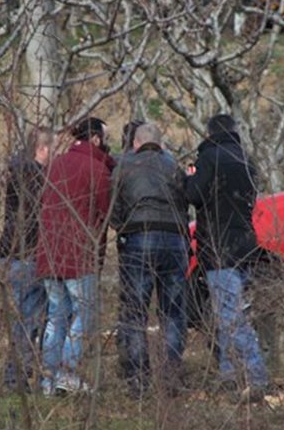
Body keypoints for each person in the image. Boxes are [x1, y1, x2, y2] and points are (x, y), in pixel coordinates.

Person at [184, 114, 270, 402]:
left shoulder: (209, 158)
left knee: (230, 317)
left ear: (210, 133)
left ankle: (257, 377)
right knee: (227, 314)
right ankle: (228, 375)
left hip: (219, 248)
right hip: (246, 245)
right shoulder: (246, 160)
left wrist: (187, 177)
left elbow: (193, 195)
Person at [111, 122, 190, 398]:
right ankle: (170, 376)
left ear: (135, 143)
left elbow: (113, 207)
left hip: (138, 239)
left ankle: (139, 381)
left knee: (135, 313)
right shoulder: (173, 166)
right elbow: (186, 200)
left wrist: (124, 228)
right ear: (161, 143)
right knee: (174, 312)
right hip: (175, 239)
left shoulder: (123, 165)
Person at [36, 117, 115, 395]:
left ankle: (49, 378)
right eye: (106, 138)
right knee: (85, 313)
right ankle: (66, 373)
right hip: (79, 256)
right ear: (95, 139)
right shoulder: (98, 170)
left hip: (48, 253)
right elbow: (108, 215)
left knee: (56, 316)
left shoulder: (52, 166)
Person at [0, 128, 54, 391]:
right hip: (27, 253)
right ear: (42, 149)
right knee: (29, 318)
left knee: (24, 316)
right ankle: (15, 377)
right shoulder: (34, 177)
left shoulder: (17, 171)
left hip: (13, 252)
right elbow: (37, 216)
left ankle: (18, 373)